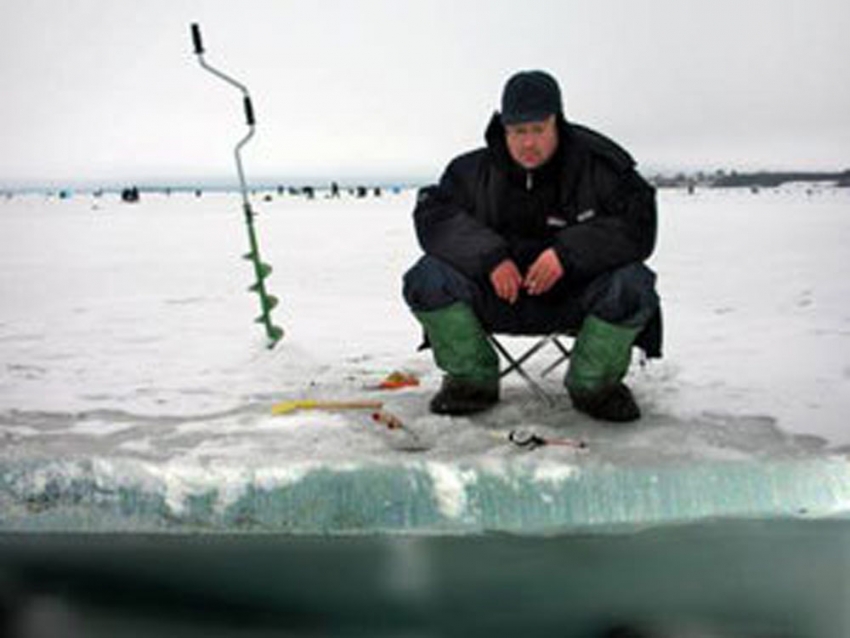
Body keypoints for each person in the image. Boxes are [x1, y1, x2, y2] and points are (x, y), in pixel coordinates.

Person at [402, 70, 661, 423]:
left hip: (574, 299)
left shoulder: (601, 167)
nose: (528, 143)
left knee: (633, 284)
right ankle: (470, 380)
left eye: (538, 129)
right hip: (495, 297)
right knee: (427, 278)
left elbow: (638, 225)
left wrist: (568, 253)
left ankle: (595, 386)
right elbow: (434, 216)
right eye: (518, 131)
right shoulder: (469, 170)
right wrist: (490, 257)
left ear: (558, 122)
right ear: (503, 127)